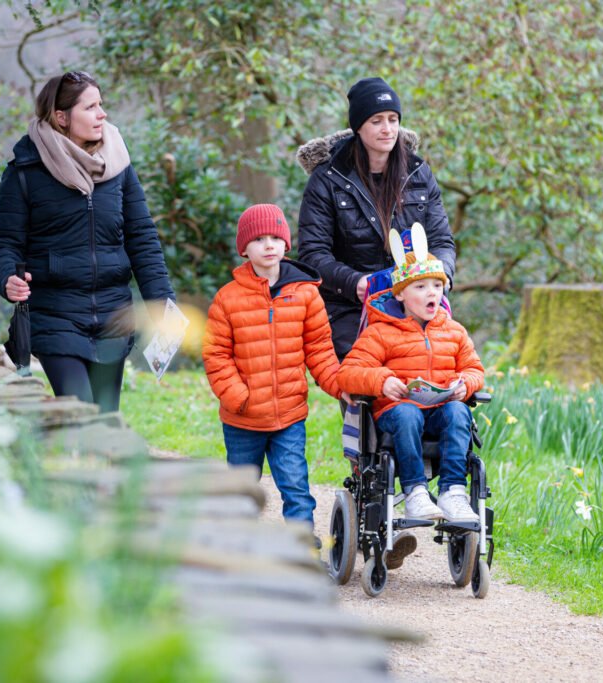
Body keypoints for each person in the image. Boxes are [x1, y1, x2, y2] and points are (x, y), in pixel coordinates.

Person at [0, 71, 174, 412]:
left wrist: (162, 303)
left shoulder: (118, 166)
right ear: (61, 117)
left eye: (101, 105)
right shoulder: (25, 172)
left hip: (114, 315)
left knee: (104, 417)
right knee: (79, 413)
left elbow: (142, 238)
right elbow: (3, 242)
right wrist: (6, 278)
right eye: (90, 107)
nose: (102, 114)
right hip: (55, 316)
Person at [202, 204, 348, 535]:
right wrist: (239, 396)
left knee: (296, 487)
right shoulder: (228, 299)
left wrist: (341, 386)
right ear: (244, 249)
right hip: (243, 417)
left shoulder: (307, 294)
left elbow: (320, 349)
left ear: (286, 244)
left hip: (289, 416)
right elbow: (216, 353)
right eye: (259, 239)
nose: (268, 245)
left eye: (275, 238)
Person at [296, 76, 457, 360]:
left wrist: (440, 277)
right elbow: (313, 254)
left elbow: (442, 240)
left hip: (414, 301)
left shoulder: (419, 173)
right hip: (348, 305)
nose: (388, 129)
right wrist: (355, 282)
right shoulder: (327, 179)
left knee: (439, 367)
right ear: (358, 127)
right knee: (366, 378)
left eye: (393, 119)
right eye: (377, 121)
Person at [338, 225, 485, 534]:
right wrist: (381, 381)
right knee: (407, 412)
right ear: (401, 294)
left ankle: (452, 492)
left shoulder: (454, 332)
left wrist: (464, 385)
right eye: (420, 287)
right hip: (396, 415)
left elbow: (475, 370)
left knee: (460, 411)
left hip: (440, 411)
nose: (431, 292)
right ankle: (416, 491)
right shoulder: (380, 332)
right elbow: (348, 373)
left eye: (436, 285)